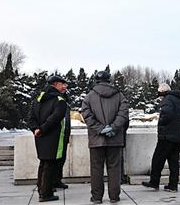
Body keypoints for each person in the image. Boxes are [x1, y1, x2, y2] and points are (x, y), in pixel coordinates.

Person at [81, 71, 129, 204]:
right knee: (114, 168)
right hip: (115, 139)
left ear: (96, 80)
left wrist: (100, 129)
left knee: (96, 169)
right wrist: (113, 128)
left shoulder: (89, 97)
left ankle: (97, 198)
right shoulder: (119, 95)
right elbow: (123, 114)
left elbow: (87, 116)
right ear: (109, 80)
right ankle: (114, 197)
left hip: (96, 140)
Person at [27, 75, 70, 202]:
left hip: (40, 136)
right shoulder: (59, 100)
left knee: (44, 163)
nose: (65, 86)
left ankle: (41, 189)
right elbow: (55, 118)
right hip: (53, 137)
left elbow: (30, 117)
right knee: (50, 164)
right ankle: (46, 194)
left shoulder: (38, 99)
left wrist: (36, 129)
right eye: (63, 84)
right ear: (55, 84)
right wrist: (42, 129)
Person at [142, 83, 180, 192]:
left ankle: (154, 182)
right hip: (178, 136)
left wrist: (161, 122)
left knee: (157, 159)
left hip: (167, 136)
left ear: (162, 92)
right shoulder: (178, 100)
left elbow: (167, 114)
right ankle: (173, 185)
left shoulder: (168, 99)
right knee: (173, 162)